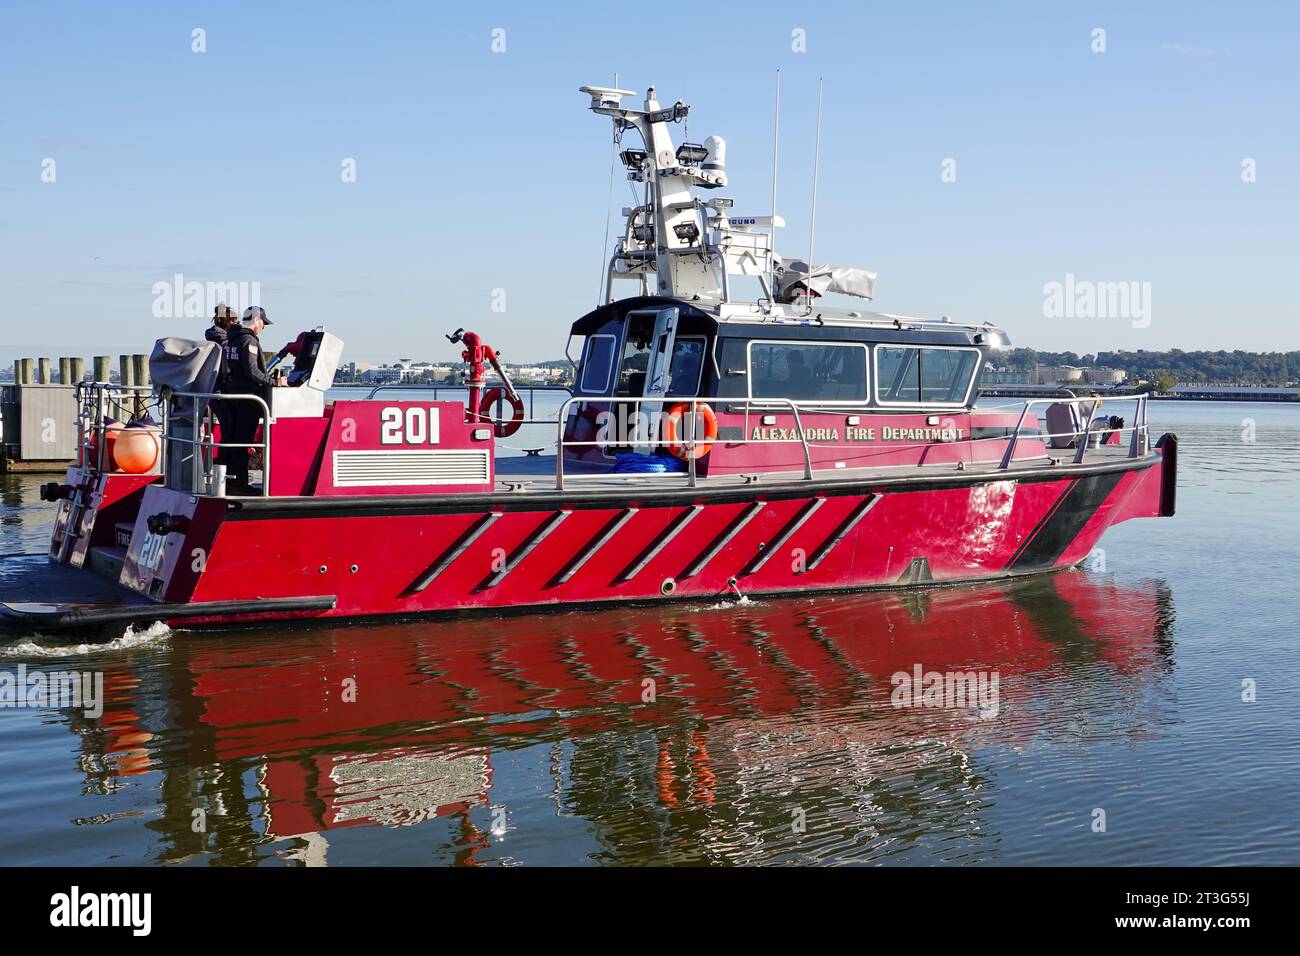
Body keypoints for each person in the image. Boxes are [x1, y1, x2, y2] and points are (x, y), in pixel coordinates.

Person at [220, 306, 285, 494]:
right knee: (242, 442)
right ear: (256, 321)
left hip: (233, 396)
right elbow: (252, 371)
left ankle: (230, 482)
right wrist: (274, 382)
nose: (263, 327)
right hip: (247, 399)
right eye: (263, 323)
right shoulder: (249, 341)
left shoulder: (232, 339)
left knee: (233, 441)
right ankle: (240, 485)